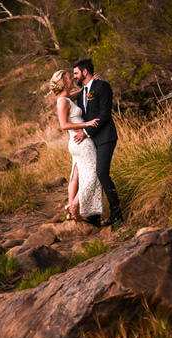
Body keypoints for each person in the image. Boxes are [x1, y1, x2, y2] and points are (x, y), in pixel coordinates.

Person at [72, 57, 121, 226]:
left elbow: (105, 115)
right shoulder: (81, 94)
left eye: (76, 73)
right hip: (91, 141)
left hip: (106, 137)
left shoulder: (102, 86)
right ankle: (93, 215)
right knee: (91, 175)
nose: (74, 77)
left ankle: (117, 212)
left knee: (101, 173)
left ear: (85, 72)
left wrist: (85, 132)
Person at [50, 68, 101, 224]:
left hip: (76, 143)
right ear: (64, 82)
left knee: (75, 177)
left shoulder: (66, 98)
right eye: (69, 78)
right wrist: (87, 124)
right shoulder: (62, 102)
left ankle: (72, 214)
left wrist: (90, 84)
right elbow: (63, 125)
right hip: (81, 143)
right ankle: (73, 206)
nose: (72, 79)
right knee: (94, 175)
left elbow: (77, 95)